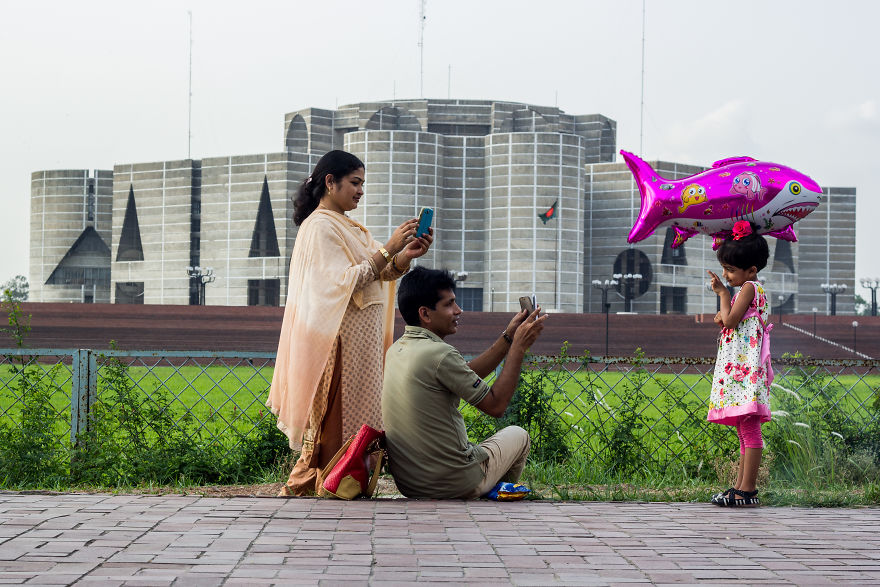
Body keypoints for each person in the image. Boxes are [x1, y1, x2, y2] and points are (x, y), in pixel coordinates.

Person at [267, 150, 433, 496]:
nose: (360, 191)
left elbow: (380, 272)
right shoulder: (319, 227)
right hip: (340, 342)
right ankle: (325, 480)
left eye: (362, 184)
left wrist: (406, 254)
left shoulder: (349, 227)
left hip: (365, 345)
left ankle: (352, 481)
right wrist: (388, 248)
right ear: (331, 182)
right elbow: (341, 281)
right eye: (355, 183)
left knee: (366, 414)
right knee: (339, 416)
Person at [382, 266, 547, 499]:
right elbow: (496, 406)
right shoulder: (440, 354)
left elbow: (464, 375)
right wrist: (519, 348)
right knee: (518, 434)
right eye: (449, 304)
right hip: (456, 483)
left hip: (411, 485)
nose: (458, 310)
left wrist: (509, 337)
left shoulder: (398, 349)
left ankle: (486, 489)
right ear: (425, 314)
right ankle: (494, 495)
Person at [706, 220, 772, 507]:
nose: (726, 275)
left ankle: (748, 490)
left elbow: (729, 320)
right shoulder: (749, 290)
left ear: (751, 270)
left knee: (749, 429)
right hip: (741, 371)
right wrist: (725, 309)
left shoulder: (748, 288)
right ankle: (740, 487)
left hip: (744, 372)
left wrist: (723, 296)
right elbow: (726, 320)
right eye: (724, 269)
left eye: (730, 270)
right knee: (744, 429)